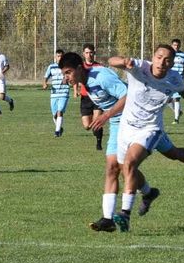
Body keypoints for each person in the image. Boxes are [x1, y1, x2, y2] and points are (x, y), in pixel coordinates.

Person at [107, 44, 184, 232]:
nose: (162, 61)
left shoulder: (173, 78)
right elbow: (111, 61)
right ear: (153, 57)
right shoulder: (138, 67)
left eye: (167, 59)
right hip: (127, 128)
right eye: (159, 56)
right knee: (174, 154)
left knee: (129, 164)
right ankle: (153, 191)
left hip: (151, 129)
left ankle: (125, 215)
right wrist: (123, 61)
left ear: (172, 63)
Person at [59, 51, 128, 232]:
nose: (66, 78)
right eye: (63, 74)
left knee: (172, 152)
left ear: (80, 68)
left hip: (132, 119)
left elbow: (128, 95)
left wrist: (106, 115)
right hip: (116, 122)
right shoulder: (85, 81)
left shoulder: (102, 76)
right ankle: (108, 219)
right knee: (112, 167)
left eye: (68, 73)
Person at [74, 43, 105, 150]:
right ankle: (96, 130)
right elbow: (75, 80)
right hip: (85, 98)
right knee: (87, 126)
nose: (89, 55)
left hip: (97, 97)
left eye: (91, 52)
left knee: (97, 121)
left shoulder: (100, 67)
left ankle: (99, 143)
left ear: (94, 53)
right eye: (87, 53)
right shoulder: (79, 67)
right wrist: (75, 90)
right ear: (83, 54)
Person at [42, 49, 69, 137]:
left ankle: (57, 132)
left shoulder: (67, 67)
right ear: (55, 57)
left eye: (61, 56)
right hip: (54, 93)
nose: (60, 58)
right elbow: (46, 77)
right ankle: (59, 127)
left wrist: (68, 78)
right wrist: (45, 83)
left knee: (60, 111)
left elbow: (72, 77)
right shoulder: (51, 67)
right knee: (54, 115)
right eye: (58, 56)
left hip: (64, 92)